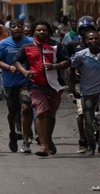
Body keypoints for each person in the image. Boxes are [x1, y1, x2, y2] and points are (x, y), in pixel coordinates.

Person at [14, 20, 70, 157]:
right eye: (38, 30)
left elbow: (67, 61)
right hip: (36, 85)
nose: (41, 32)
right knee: (41, 112)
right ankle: (43, 146)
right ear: (33, 32)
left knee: (50, 116)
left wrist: (54, 66)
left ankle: (48, 139)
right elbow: (17, 61)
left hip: (55, 85)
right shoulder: (27, 47)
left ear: (48, 32)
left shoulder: (57, 46)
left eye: (44, 30)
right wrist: (24, 72)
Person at [69, 30, 100, 156]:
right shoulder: (80, 55)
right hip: (86, 92)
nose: (93, 41)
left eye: (96, 38)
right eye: (91, 39)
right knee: (85, 119)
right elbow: (71, 70)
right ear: (86, 41)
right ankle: (89, 144)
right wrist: (73, 88)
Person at [0, 20, 34, 153]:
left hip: (25, 81)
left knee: (26, 108)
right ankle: (12, 133)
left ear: (23, 28)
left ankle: (26, 140)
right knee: (13, 111)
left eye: (19, 26)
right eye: (13, 27)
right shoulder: (4, 43)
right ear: (9, 29)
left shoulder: (30, 42)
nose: (16, 29)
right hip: (9, 83)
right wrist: (9, 67)